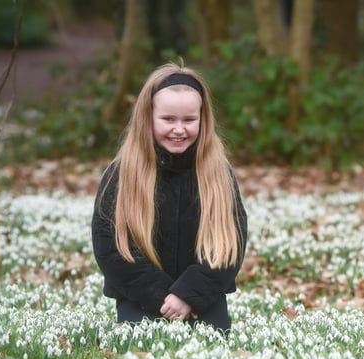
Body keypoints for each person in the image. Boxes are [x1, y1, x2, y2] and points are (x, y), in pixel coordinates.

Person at [91, 63, 248, 332]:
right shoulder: (122, 173)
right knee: (147, 350)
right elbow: (110, 248)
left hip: (203, 300)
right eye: (168, 120)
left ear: (203, 119)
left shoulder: (218, 173)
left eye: (189, 120)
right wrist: (163, 297)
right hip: (141, 297)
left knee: (210, 349)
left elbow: (231, 243)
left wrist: (189, 295)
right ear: (148, 118)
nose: (179, 129)